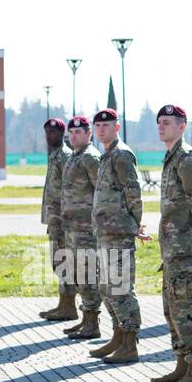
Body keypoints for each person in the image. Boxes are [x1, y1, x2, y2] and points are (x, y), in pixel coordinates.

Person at [152, 105, 192, 382]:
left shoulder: (187, 158)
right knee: (171, 308)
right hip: (172, 247)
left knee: (186, 308)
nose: (161, 127)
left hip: (185, 246)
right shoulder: (171, 156)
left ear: (183, 125)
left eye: (168, 122)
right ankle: (181, 364)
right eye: (159, 122)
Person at [88, 109, 148, 363]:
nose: (102, 129)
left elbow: (133, 192)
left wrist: (135, 224)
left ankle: (130, 343)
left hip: (119, 232)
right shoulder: (107, 155)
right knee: (106, 288)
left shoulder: (122, 154)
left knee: (121, 288)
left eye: (107, 125)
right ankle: (118, 335)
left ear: (117, 127)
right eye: (98, 126)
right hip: (105, 233)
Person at [60, 116, 104, 340]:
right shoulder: (74, 156)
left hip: (86, 228)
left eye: (79, 132)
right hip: (72, 228)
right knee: (78, 273)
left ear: (89, 134)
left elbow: (101, 190)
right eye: (71, 132)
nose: (74, 135)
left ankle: (93, 322)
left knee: (88, 274)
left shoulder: (91, 158)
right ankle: (85, 319)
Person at [39, 118, 76, 321]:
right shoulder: (54, 156)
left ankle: (69, 306)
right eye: (47, 132)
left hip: (63, 221)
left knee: (64, 261)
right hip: (55, 220)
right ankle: (63, 303)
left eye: (53, 132)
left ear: (62, 134)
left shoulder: (65, 156)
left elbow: (70, 190)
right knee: (58, 261)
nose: (49, 136)